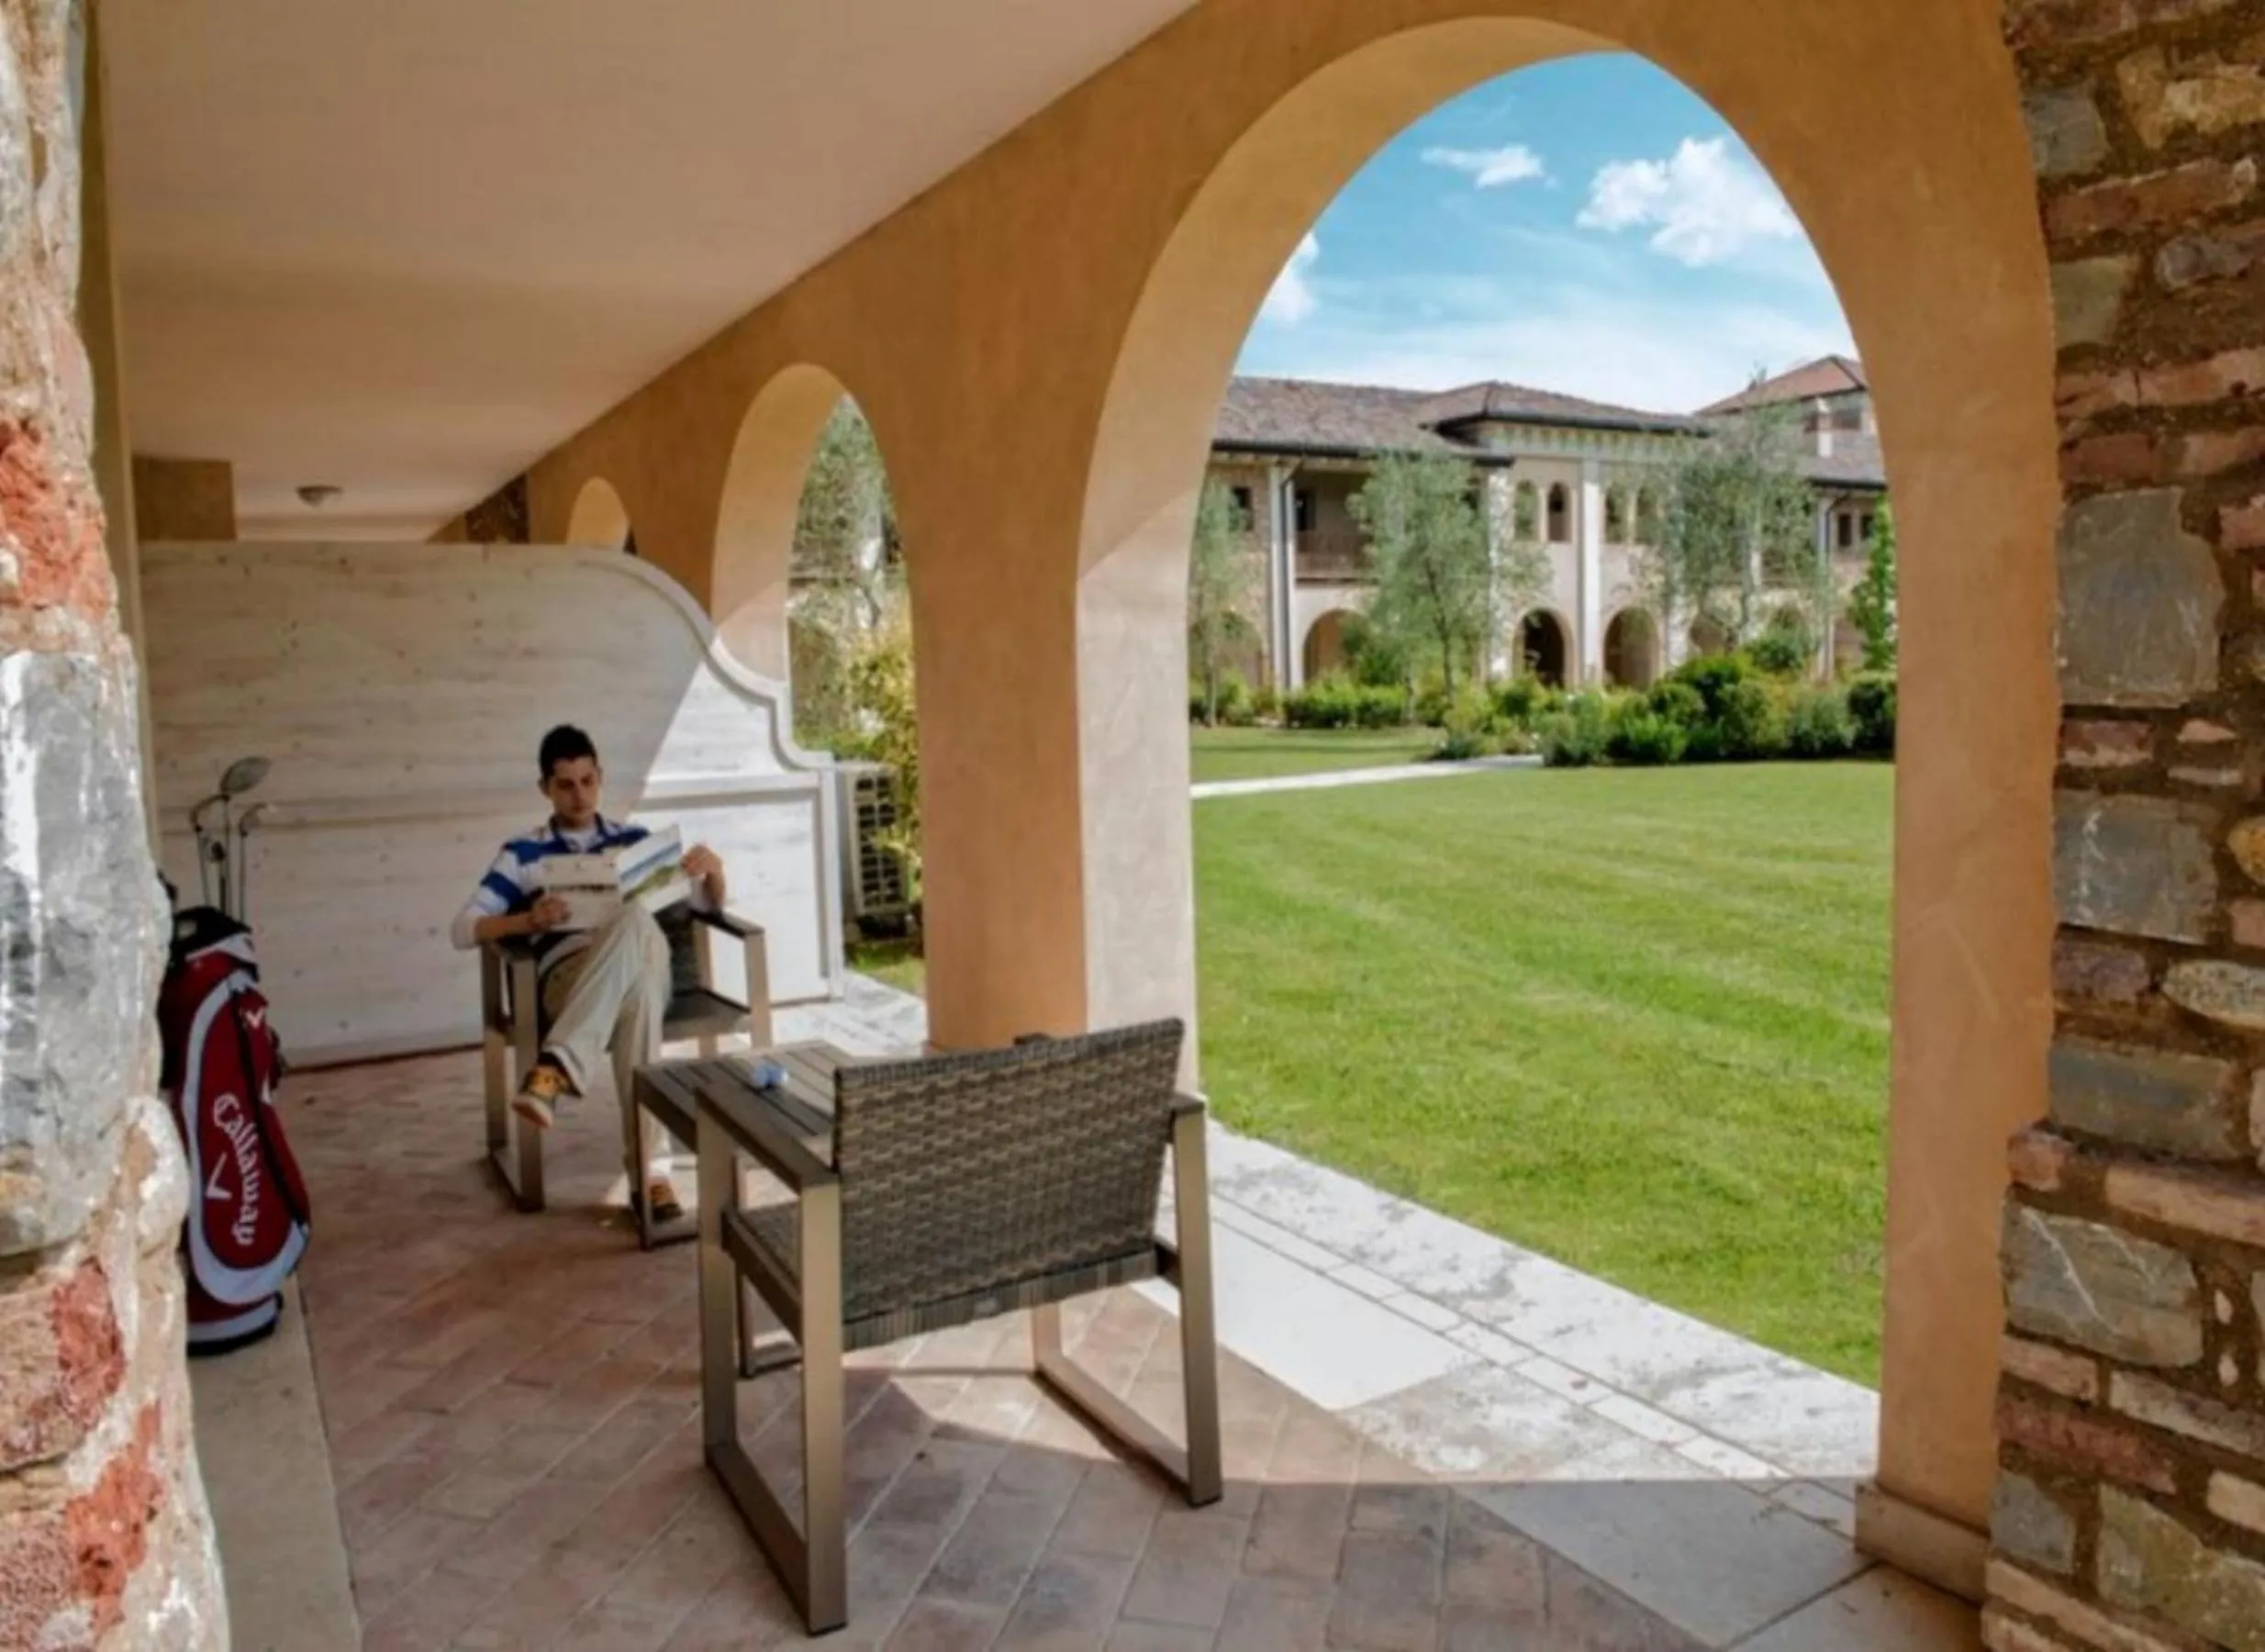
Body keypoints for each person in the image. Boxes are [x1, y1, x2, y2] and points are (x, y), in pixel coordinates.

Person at [451, 724, 726, 1224]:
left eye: (587, 780)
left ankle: (554, 1070)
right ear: (545, 789)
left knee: (638, 922)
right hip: (569, 982)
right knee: (637, 998)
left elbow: (704, 905)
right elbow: (463, 928)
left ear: (601, 778)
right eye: (566, 784)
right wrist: (525, 920)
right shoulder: (522, 854)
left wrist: (715, 872)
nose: (579, 795)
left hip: (643, 969)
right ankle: (651, 1176)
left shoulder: (637, 843)